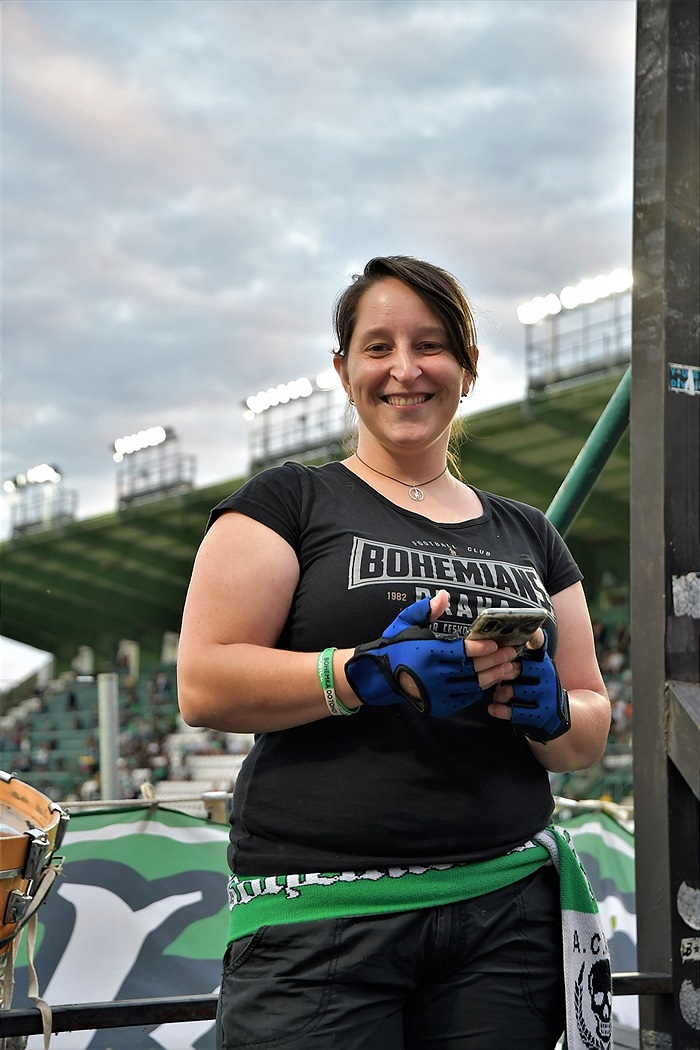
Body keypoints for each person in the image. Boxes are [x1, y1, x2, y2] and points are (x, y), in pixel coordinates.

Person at [177, 256, 612, 1050]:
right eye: (377, 348)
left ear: (469, 369)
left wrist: (547, 709)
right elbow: (203, 683)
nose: (404, 369)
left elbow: (589, 724)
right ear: (343, 371)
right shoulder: (290, 500)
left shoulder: (531, 535)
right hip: (322, 923)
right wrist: (362, 673)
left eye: (432, 345)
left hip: (503, 913)